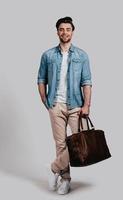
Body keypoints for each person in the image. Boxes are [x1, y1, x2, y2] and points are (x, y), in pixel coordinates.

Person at [37, 16, 92, 195]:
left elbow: (87, 81)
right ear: (57, 32)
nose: (65, 32)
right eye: (61, 29)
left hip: (76, 105)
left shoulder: (82, 55)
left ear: (72, 32)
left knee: (76, 143)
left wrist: (87, 105)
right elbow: (41, 79)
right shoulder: (48, 55)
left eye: (68, 29)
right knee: (60, 144)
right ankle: (65, 180)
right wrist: (46, 101)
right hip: (56, 105)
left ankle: (53, 168)